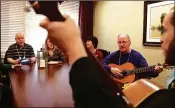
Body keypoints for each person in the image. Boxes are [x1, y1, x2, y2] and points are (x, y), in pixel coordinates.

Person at [39, 6, 174, 108]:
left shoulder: (137, 56)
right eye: (119, 42)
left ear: (129, 42)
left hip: (131, 90)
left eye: (165, 30)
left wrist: (155, 70)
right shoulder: (114, 54)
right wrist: (111, 70)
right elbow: (102, 64)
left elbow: (147, 70)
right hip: (117, 88)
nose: (121, 45)